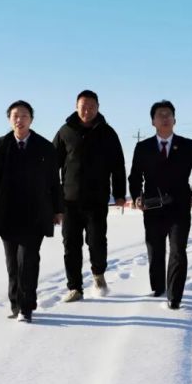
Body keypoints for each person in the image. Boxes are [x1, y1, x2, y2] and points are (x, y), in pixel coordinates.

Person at [0, 100, 63, 323]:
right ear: (10, 119)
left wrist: (57, 209)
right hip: (7, 213)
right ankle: (16, 304)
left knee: (28, 259)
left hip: (35, 213)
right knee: (12, 263)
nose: (20, 120)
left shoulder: (45, 147)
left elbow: (54, 181)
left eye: (24, 115)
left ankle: (26, 307)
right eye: (15, 116)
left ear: (31, 119)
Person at [128, 100, 192, 310]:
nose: (164, 118)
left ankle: (175, 296)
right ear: (153, 121)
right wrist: (136, 197)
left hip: (179, 207)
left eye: (168, 114)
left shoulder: (187, 145)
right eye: (160, 115)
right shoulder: (143, 147)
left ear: (174, 119)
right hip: (153, 207)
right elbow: (135, 177)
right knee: (155, 250)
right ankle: (158, 288)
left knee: (178, 251)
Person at [53, 90, 126, 302]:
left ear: (98, 108)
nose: (87, 110)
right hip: (69, 200)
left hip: (97, 199)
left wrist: (119, 193)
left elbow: (118, 165)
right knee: (71, 245)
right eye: (83, 106)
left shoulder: (108, 133)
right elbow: (51, 165)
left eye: (91, 106)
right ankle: (75, 287)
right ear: (76, 107)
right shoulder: (65, 131)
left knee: (97, 242)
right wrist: (52, 197)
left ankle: (98, 274)